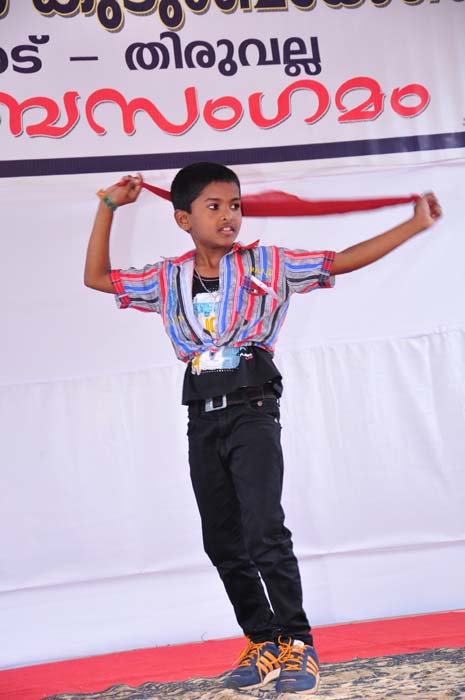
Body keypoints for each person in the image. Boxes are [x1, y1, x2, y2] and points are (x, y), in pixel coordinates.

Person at [84, 162, 441, 695]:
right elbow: (96, 278)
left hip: (252, 409)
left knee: (264, 530)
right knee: (220, 539)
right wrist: (108, 206)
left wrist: (412, 224)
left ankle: (298, 643)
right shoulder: (166, 278)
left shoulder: (268, 264)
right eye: (214, 206)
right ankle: (263, 641)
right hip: (202, 416)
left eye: (235, 205)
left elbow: (342, 260)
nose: (229, 216)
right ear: (183, 219)